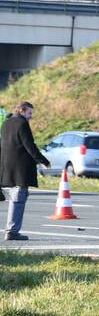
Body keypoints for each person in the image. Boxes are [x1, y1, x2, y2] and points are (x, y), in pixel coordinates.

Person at [0, 102, 51, 241]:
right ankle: (12, 231)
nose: (31, 116)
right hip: (20, 169)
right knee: (19, 199)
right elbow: (29, 145)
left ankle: (11, 229)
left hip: (6, 167)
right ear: (22, 111)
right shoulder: (22, 124)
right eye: (29, 113)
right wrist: (43, 160)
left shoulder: (6, 123)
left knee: (14, 198)